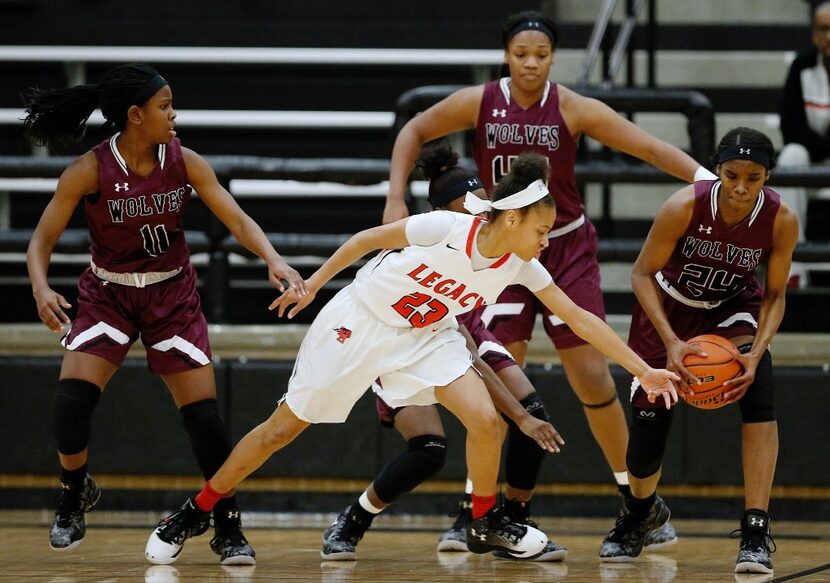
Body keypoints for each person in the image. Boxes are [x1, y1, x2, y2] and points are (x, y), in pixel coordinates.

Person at [144, 153, 680, 565]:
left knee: (486, 420)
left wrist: (643, 369)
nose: (546, 243)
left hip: (426, 333)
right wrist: (312, 286)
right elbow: (364, 240)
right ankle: (198, 509)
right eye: (541, 231)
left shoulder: (522, 265)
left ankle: (484, 519)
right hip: (360, 321)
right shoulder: (445, 229)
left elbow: (583, 320)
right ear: (513, 219)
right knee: (280, 430)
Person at [383, 9, 704, 546]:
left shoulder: (571, 106)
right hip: (503, 248)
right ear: (506, 56)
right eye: (520, 54)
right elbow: (414, 126)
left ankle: (639, 503)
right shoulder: (482, 102)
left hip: (566, 248)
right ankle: (477, 510)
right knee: (502, 380)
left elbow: (645, 146)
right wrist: (395, 194)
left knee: (593, 380)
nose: (530, 63)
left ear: (554, 58)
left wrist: (704, 178)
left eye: (541, 55)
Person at [23, 63, 305, 564]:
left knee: (205, 422)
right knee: (70, 404)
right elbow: (40, 241)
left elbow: (236, 217)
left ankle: (226, 523)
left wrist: (273, 258)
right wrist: (41, 287)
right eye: (164, 106)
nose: (173, 114)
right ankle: (73, 491)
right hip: (108, 295)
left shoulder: (185, 161)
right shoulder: (89, 169)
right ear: (135, 116)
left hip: (170, 296)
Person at [319, 143, 567, 563]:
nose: (477, 213)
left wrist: (522, 416)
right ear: (441, 213)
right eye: (465, 208)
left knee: (533, 413)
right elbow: (465, 354)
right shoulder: (433, 236)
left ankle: (505, 519)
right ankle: (354, 519)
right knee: (429, 449)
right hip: (405, 337)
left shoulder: (498, 231)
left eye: (482, 203)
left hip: (465, 330)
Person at [597, 128, 797, 576]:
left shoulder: (780, 218)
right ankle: (640, 512)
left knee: (758, 388)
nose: (742, 187)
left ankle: (756, 530)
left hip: (731, 308)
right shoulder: (684, 205)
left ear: (767, 176)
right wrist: (669, 341)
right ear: (717, 170)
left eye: (754, 177)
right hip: (666, 308)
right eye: (731, 175)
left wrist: (755, 351)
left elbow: (775, 295)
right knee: (649, 430)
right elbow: (641, 275)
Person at [777, 0, 830, 288]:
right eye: (823, 29)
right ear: (814, 35)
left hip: (821, 151)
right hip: (814, 161)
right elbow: (791, 127)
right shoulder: (802, 67)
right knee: (791, 156)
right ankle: (792, 269)